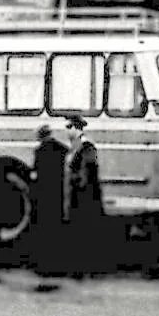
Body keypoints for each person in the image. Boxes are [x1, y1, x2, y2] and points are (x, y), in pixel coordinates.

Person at [63, 114, 106, 274]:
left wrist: (78, 185)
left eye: (69, 127)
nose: (67, 131)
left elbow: (87, 172)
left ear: (77, 128)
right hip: (76, 195)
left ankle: (86, 265)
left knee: (84, 230)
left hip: (84, 197)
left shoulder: (86, 146)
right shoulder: (75, 145)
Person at [28, 119, 68, 278]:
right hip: (57, 192)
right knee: (55, 224)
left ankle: (42, 259)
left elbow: (35, 172)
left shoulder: (40, 151)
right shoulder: (61, 148)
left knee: (43, 225)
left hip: (43, 192)